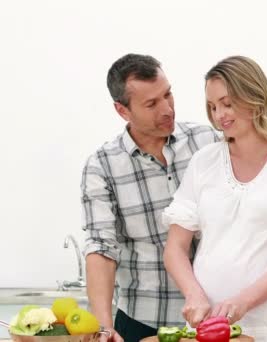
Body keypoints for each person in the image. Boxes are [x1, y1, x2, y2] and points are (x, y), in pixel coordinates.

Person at [162, 56, 267, 341]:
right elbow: (175, 247)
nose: (219, 115)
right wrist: (194, 294)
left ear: (254, 97)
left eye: (227, 103)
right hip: (208, 326)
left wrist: (244, 301)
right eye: (213, 107)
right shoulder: (204, 161)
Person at [81, 53, 218, 342]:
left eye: (168, 94)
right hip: (142, 322)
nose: (167, 109)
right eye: (151, 104)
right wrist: (104, 326)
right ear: (122, 110)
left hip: (212, 319)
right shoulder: (102, 166)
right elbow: (101, 248)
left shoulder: (207, 141)